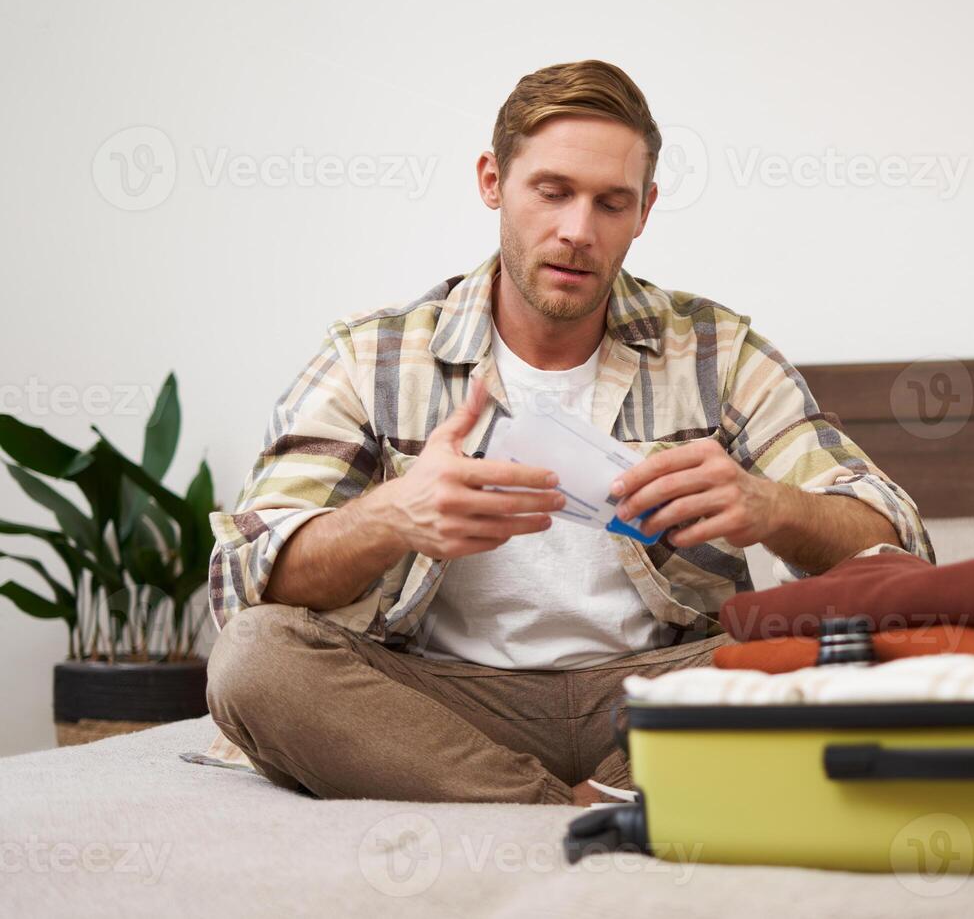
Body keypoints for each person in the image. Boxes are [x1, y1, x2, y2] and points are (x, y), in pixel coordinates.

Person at [204, 59, 933, 806]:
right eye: (551, 192)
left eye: (611, 203)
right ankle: (569, 807)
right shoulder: (373, 356)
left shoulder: (716, 351)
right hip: (445, 706)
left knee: (890, 635)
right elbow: (244, 580)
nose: (578, 231)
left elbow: (897, 543)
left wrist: (772, 507)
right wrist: (393, 517)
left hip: (668, 695)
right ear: (493, 181)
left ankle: (564, 797)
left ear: (645, 209)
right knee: (254, 659)